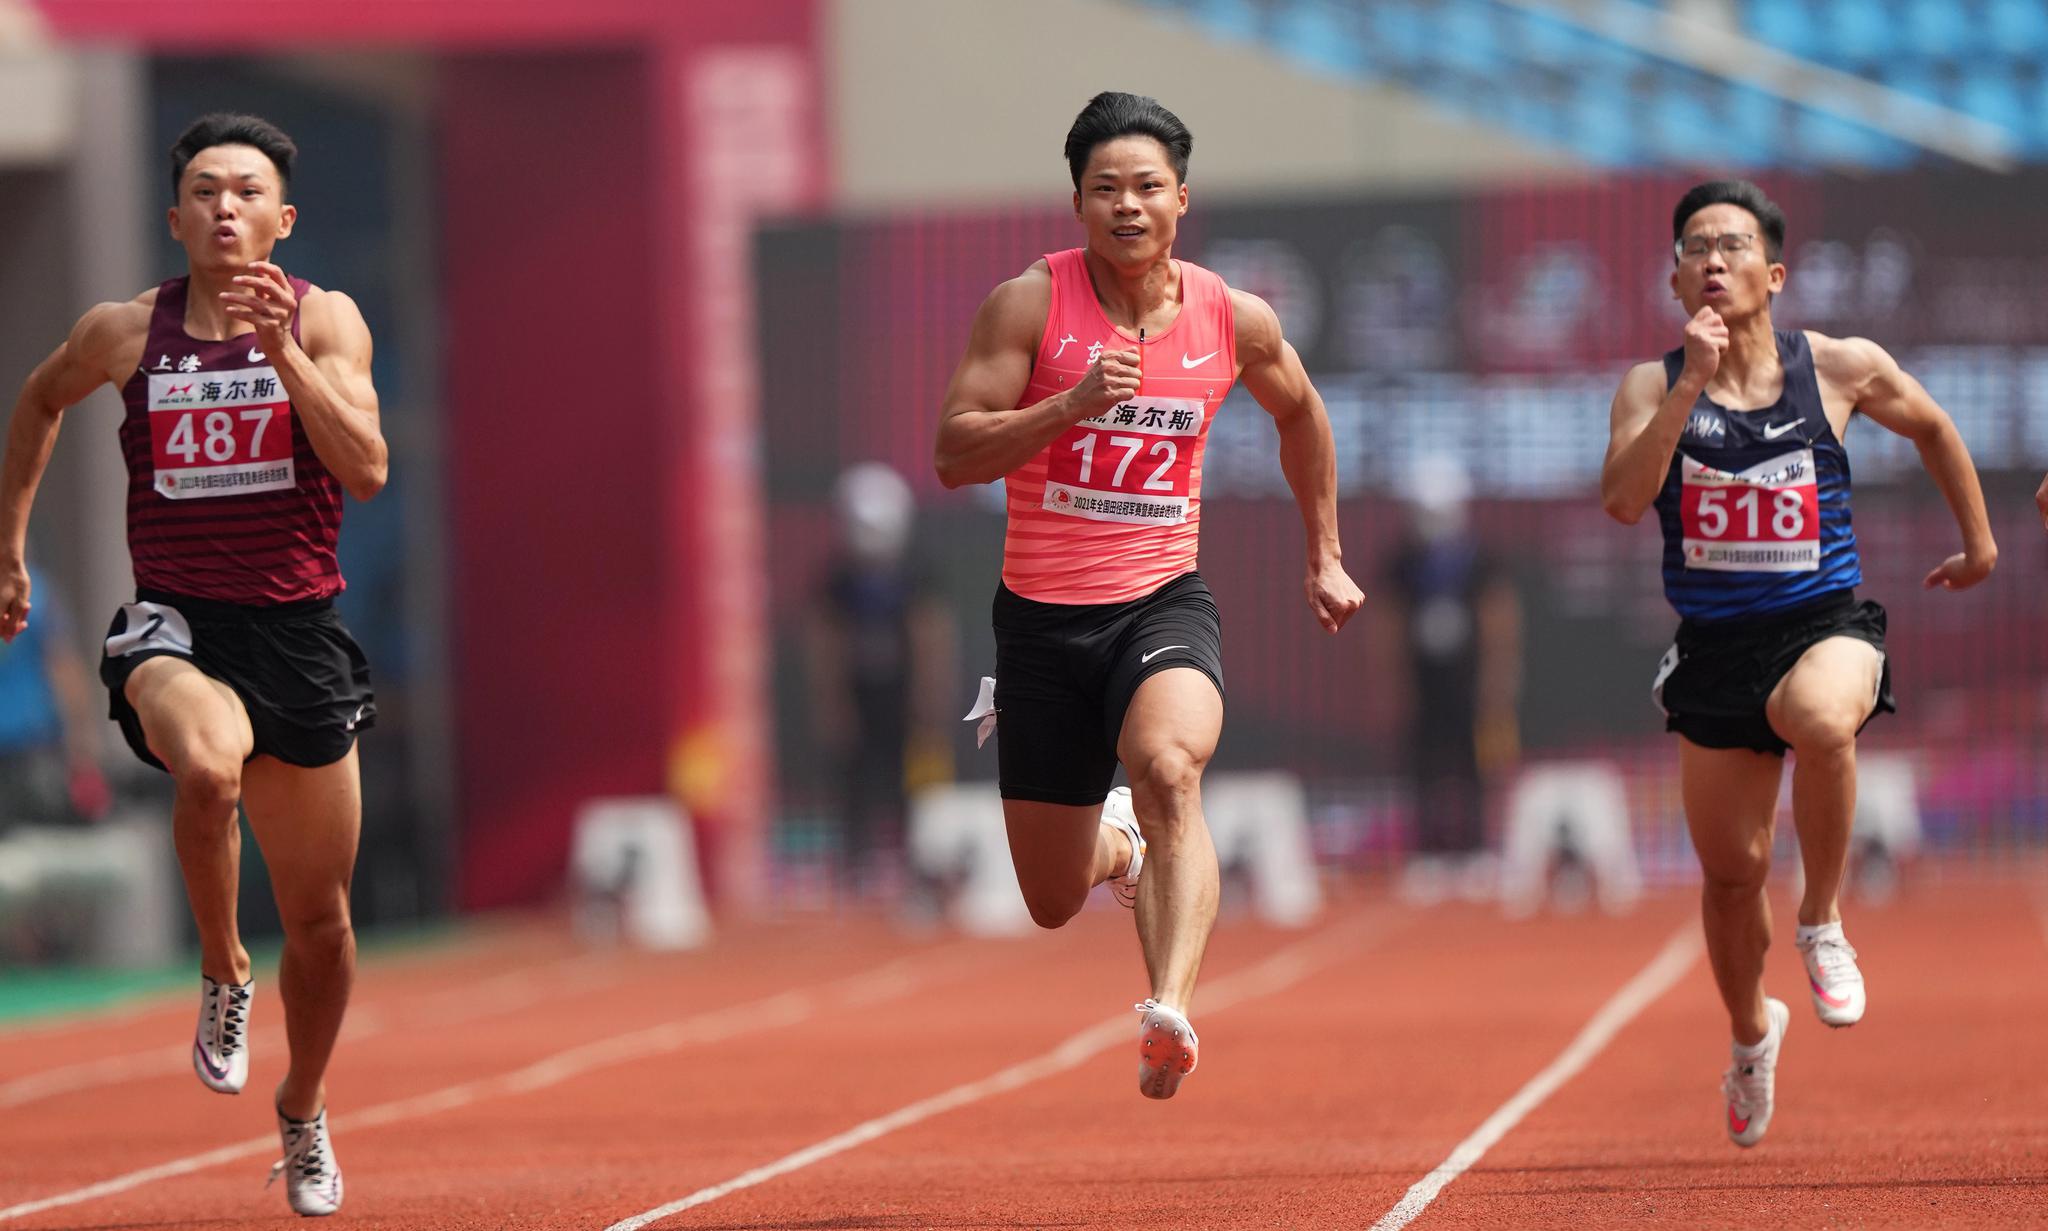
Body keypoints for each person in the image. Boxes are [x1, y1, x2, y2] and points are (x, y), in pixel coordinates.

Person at [934, 92, 1362, 1100]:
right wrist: (1068, 404)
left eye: (1145, 187)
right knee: (1046, 896)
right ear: (1076, 202)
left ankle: (1166, 1008)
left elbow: (1300, 414)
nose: (1125, 206)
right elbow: (953, 452)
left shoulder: (1230, 316)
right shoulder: (1029, 306)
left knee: (1170, 764)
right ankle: (1116, 844)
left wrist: (1324, 553)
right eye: (1103, 189)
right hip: (1040, 624)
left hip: (1159, 601)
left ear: (1180, 199)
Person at [0, 113, 386, 1215]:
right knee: (208, 770)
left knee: (323, 925)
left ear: (281, 218)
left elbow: (365, 469)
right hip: (175, 624)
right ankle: (223, 969)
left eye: (247, 191)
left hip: (298, 635)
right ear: (175, 219)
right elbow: (36, 401)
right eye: (206, 191)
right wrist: (9, 549)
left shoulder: (326, 321)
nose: (226, 207)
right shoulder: (127, 333)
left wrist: (276, 358)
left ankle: (303, 1107)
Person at [1601, 180, 1994, 1148]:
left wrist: (1977, 544)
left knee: (1824, 719)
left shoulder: (1835, 367)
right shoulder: (1651, 386)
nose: (1713, 261)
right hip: (1714, 652)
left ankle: (1821, 919)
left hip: (1823, 622)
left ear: (1771, 273)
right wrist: (1688, 386)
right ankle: (1748, 1033)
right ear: (1673, 277)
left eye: (1732, 246)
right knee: (1731, 878)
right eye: (1695, 248)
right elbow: (1619, 499)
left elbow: (1934, 426)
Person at [1374, 455, 1520, 903]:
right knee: (1423, 763)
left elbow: (1500, 619)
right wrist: (1390, 678)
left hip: (1469, 679)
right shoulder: (1403, 560)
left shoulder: (1479, 558)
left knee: (1474, 763)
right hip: (1423, 679)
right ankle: (1428, 852)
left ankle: (1475, 850)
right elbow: (1387, 621)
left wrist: (1498, 682)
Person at [805, 461, 954, 897]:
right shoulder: (837, 577)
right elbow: (824, 641)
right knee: (852, 774)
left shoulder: (917, 572)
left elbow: (932, 635)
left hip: (903, 691)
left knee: (911, 776)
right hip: (857, 689)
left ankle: (917, 861)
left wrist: (931, 694)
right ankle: (855, 864)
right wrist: (831, 700)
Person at [0, 561, 111, 831]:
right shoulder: (31, 588)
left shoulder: (32, 591)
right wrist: (83, 750)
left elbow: (63, 666)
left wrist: (81, 749)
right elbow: (64, 666)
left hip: (28, 750)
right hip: (29, 748)